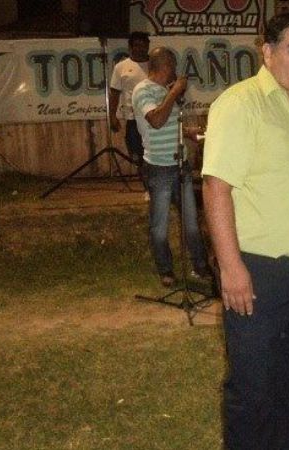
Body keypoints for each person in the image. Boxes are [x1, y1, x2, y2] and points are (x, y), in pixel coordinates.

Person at [201, 10, 289, 450]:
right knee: (254, 384)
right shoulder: (241, 103)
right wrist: (231, 267)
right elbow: (216, 186)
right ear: (268, 52)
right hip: (259, 273)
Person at [131, 47, 211, 287]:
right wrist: (175, 92)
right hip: (159, 169)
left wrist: (187, 132)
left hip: (180, 165)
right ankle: (166, 270)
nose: (175, 72)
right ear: (166, 66)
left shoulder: (166, 91)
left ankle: (200, 267)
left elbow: (167, 124)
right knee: (160, 227)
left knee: (192, 224)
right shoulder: (143, 90)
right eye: (173, 66)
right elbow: (156, 121)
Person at [109, 32, 150, 190]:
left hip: (154, 117)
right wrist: (112, 116)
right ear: (130, 47)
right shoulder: (121, 67)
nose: (141, 49)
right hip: (133, 119)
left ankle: (153, 188)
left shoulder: (154, 64)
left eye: (144, 45)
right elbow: (114, 93)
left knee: (153, 155)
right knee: (138, 156)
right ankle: (147, 188)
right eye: (137, 45)